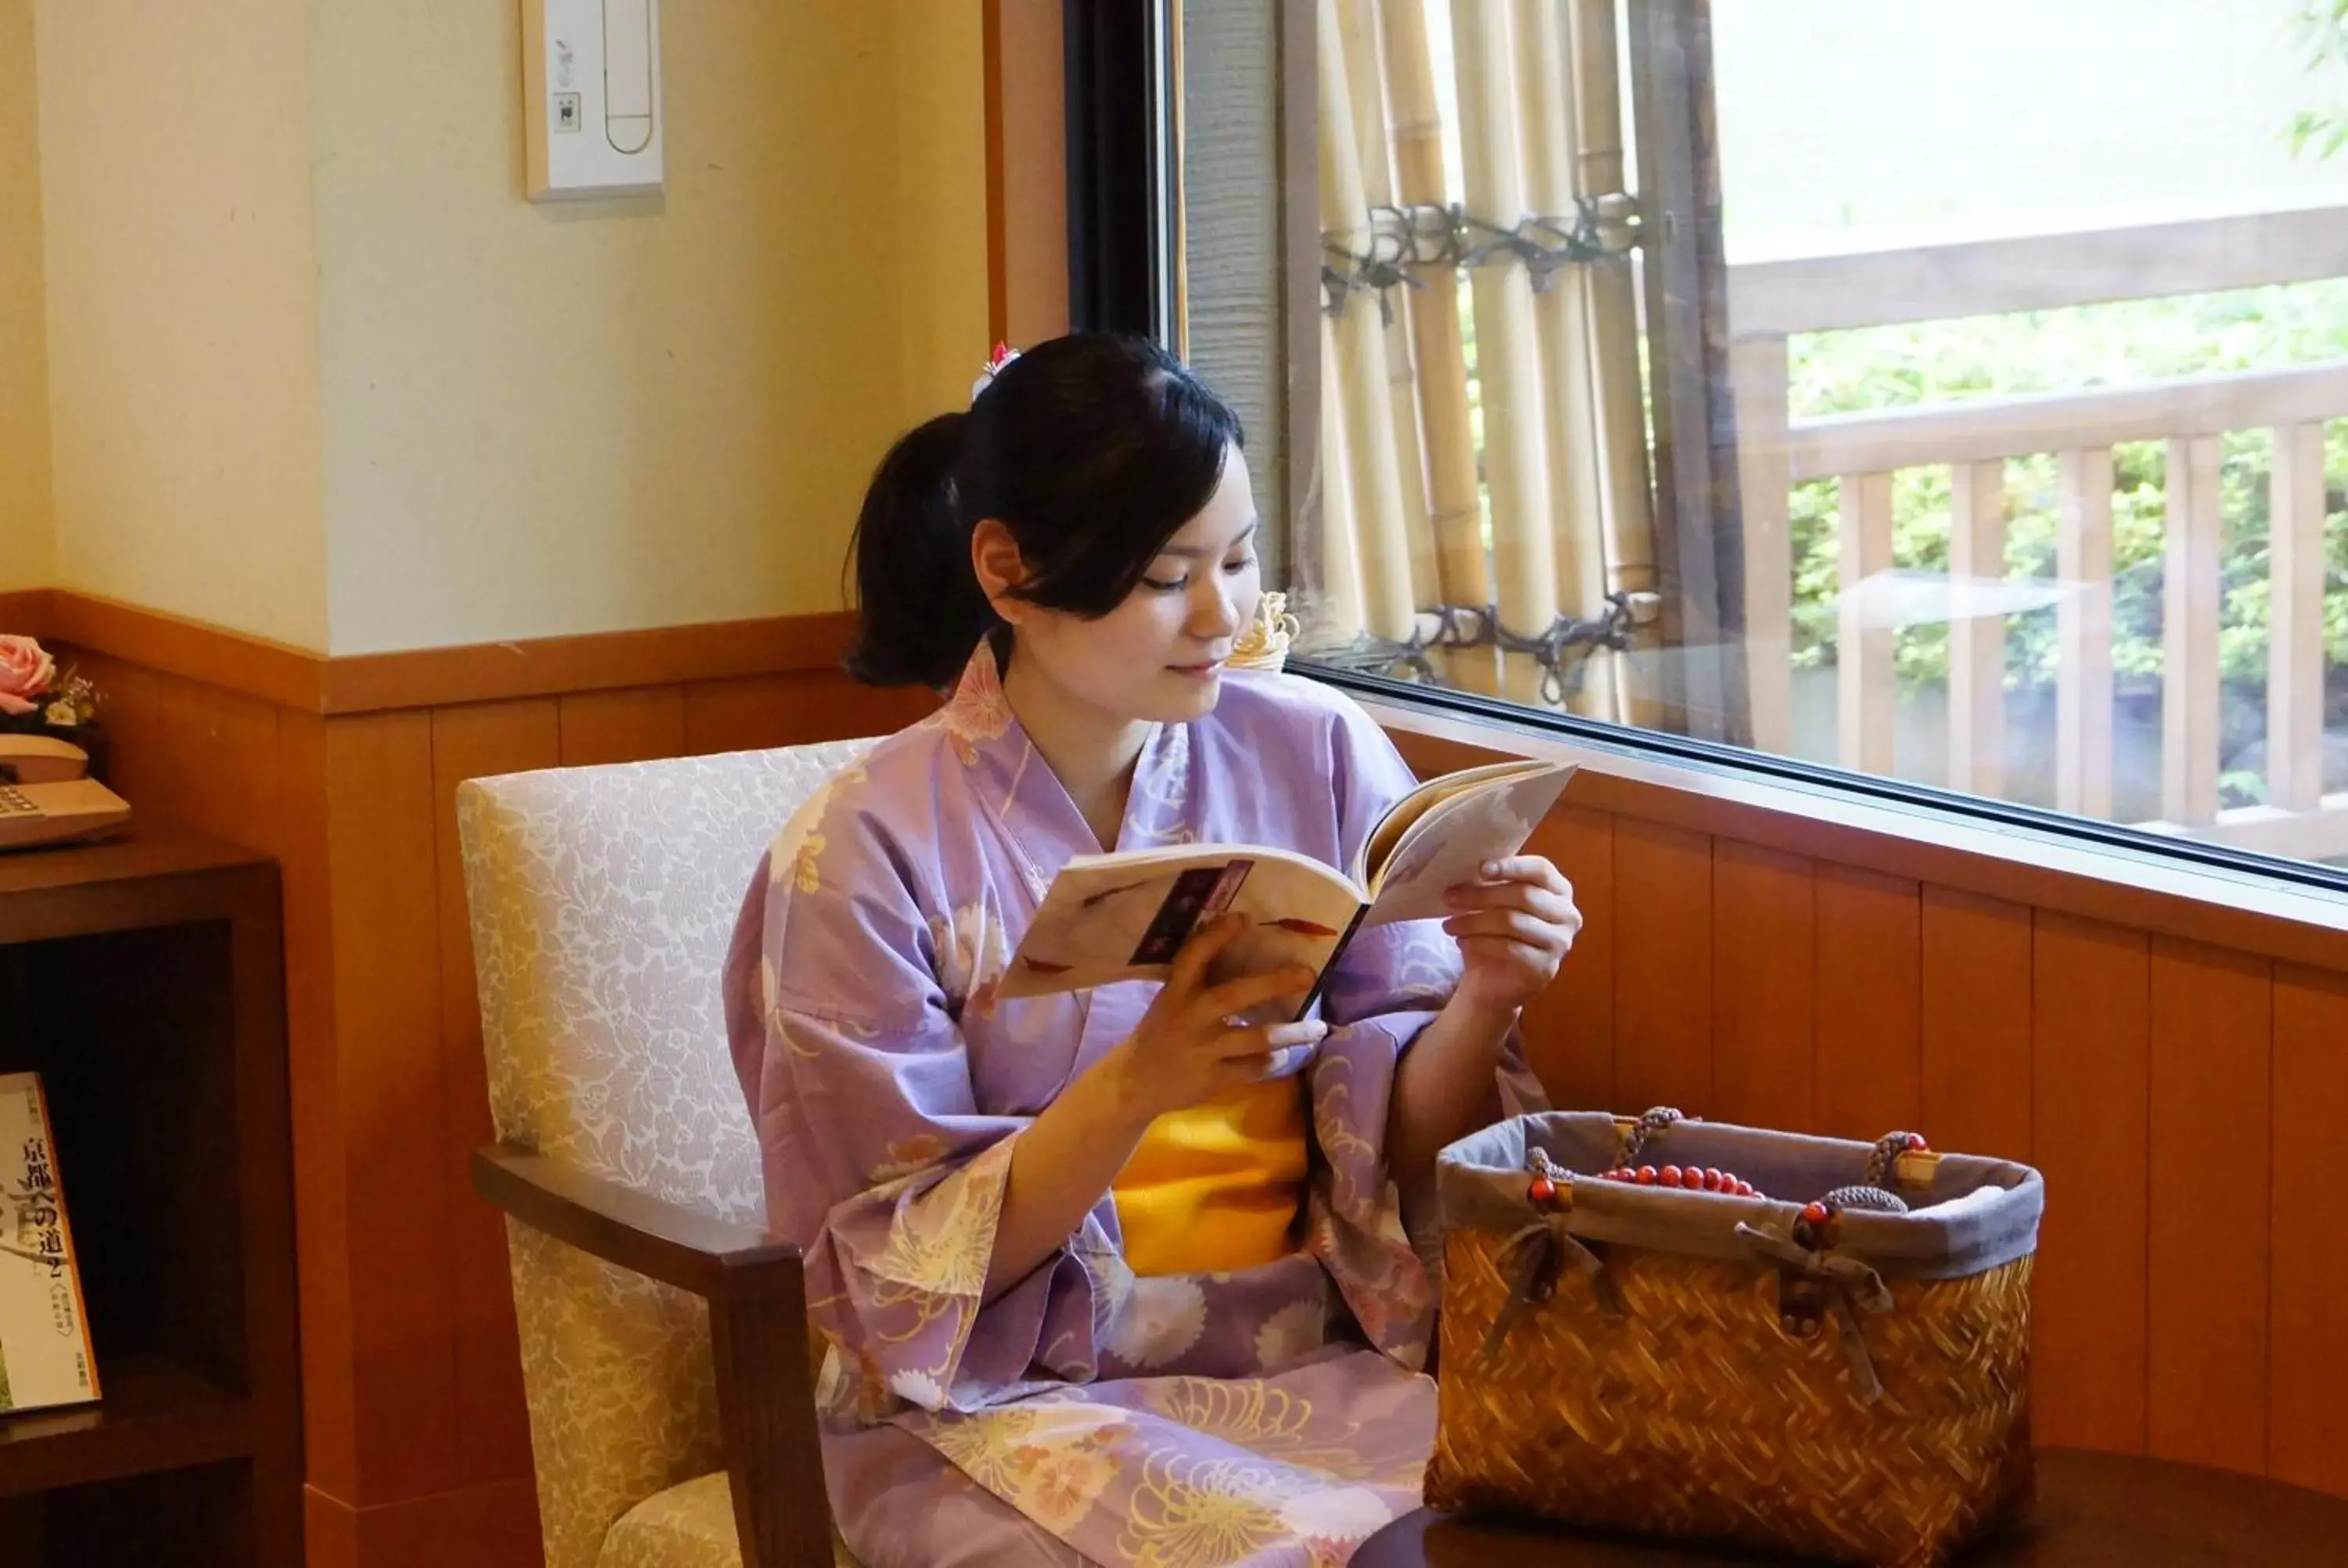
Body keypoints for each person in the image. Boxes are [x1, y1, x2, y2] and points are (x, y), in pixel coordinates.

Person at [722, 333, 1582, 1566]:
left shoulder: (1317, 750)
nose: (1225, 615)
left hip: (1321, 1346)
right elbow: (892, 1273)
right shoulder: (860, 850)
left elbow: (1404, 1157)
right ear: (1008, 571)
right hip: (1003, 1406)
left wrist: (1487, 998)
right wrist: (1139, 1083)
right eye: (1168, 575)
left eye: (1236, 558)